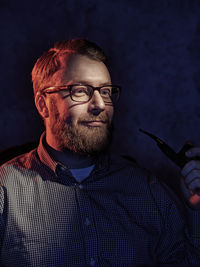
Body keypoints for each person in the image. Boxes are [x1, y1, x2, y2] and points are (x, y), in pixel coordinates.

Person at [0, 39, 200, 267]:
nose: (100, 105)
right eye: (80, 91)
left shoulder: (149, 192)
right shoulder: (5, 193)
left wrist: (197, 209)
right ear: (43, 105)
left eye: (105, 91)